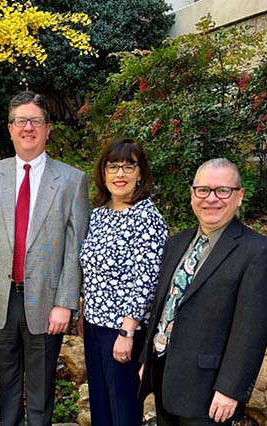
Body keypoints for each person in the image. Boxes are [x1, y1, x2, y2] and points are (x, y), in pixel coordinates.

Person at [0, 91, 90, 426]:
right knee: (5, 388)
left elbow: (76, 247)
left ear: (48, 129)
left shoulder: (71, 180)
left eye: (36, 121)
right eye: (21, 121)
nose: (28, 128)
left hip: (48, 303)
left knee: (41, 389)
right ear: (10, 129)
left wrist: (66, 302)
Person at [139, 158, 267, 426]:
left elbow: (251, 331)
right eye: (203, 190)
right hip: (164, 378)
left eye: (222, 190)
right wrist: (146, 361)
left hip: (209, 392)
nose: (211, 199)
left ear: (239, 196)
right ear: (192, 194)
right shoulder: (176, 243)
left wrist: (231, 389)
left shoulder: (259, 252)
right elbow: (164, 307)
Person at [78, 138, 168, 426]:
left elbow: (147, 280)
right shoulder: (99, 215)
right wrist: (84, 310)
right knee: (101, 407)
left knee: (124, 410)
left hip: (123, 331)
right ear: (103, 172)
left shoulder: (147, 217)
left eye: (129, 167)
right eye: (113, 166)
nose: (120, 174)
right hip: (93, 326)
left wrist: (127, 332)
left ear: (140, 173)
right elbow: (90, 268)